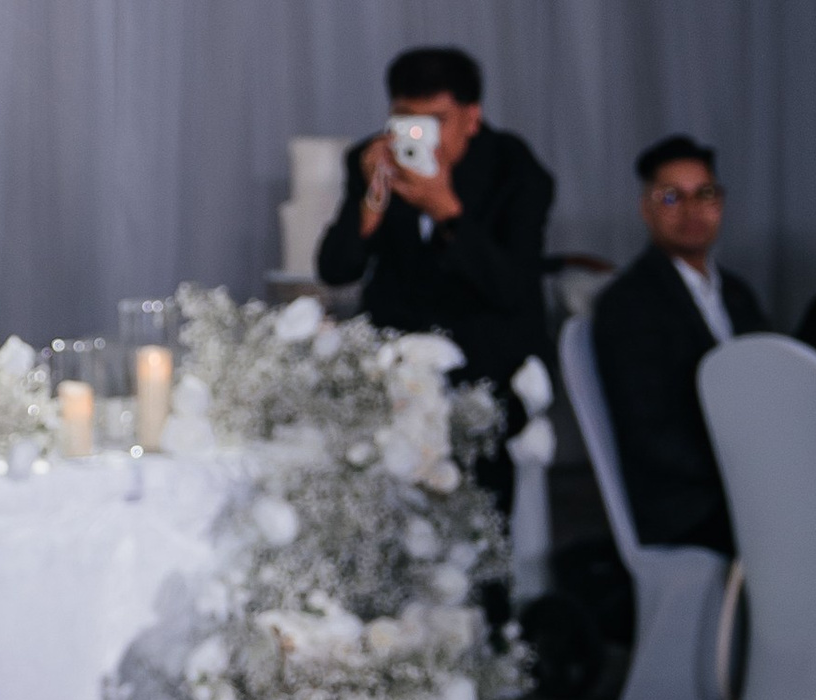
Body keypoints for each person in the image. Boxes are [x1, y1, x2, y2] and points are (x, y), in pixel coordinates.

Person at [315, 42, 554, 390]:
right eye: (406, 119)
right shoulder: (372, 160)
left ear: (472, 119)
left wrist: (446, 210)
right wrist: (372, 203)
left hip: (489, 366)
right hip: (395, 362)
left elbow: (511, 288)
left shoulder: (514, 168)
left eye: (435, 121)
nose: (418, 136)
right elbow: (335, 270)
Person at [590, 137, 769, 554]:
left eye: (704, 194)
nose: (692, 210)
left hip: (744, 486)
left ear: (720, 203)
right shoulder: (628, 302)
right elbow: (648, 433)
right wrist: (741, 472)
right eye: (672, 197)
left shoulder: (738, 293)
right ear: (646, 208)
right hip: (687, 504)